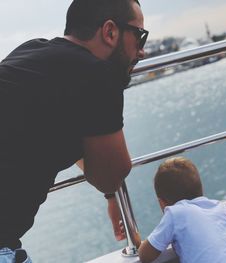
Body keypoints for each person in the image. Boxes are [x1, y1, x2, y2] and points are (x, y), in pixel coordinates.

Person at [0, 0, 148, 261]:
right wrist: (111, 188)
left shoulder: (30, 51)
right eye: (140, 36)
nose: (142, 52)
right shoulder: (98, 75)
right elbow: (110, 174)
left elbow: (42, 131)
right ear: (110, 32)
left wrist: (110, 194)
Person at [138, 157, 226, 263]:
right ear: (201, 189)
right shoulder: (221, 208)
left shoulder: (175, 214)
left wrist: (136, 239)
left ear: (162, 203)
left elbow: (145, 256)